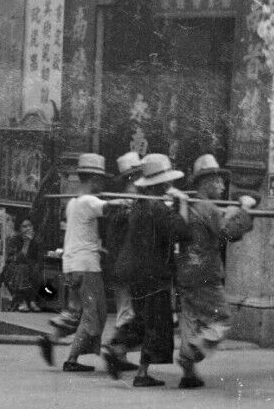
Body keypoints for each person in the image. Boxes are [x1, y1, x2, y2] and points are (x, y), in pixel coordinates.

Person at [169, 154, 256, 389]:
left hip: (185, 271)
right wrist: (246, 210)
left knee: (190, 318)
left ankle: (189, 371)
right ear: (204, 183)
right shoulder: (207, 207)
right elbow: (229, 232)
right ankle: (195, 349)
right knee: (221, 318)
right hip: (205, 272)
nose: (221, 186)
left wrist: (229, 211)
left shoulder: (191, 206)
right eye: (217, 182)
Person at [104, 153, 183, 387]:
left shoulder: (141, 206)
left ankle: (118, 347)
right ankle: (142, 373)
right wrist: (181, 206)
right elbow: (181, 231)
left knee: (141, 318)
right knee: (155, 322)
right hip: (153, 273)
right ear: (161, 184)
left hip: (136, 272)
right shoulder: (156, 208)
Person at [46, 153, 109, 373]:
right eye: (100, 180)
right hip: (86, 266)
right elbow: (109, 208)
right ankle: (72, 359)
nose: (102, 184)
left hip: (71, 265)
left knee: (76, 311)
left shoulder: (73, 203)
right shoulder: (90, 201)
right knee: (95, 314)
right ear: (93, 179)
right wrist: (125, 201)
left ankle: (52, 338)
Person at [104, 151, 143, 348]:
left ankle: (119, 352)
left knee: (125, 309)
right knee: (127, 310)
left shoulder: (121, 201)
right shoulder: (129, 201)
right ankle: (116, 350)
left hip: (118, 261)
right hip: (126, 262)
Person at [1, 216, 42, 310]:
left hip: (29, 269)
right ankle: (21, 300)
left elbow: (38, 259)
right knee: (22, 268)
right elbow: (16, 260)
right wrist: (26, 244)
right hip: (12, 270)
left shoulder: (35, 241)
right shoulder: (13, 240)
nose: (28, 228)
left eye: (30, 226)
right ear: (19, 229)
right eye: (24, 226)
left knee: (35, 268)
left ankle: (32, 300)